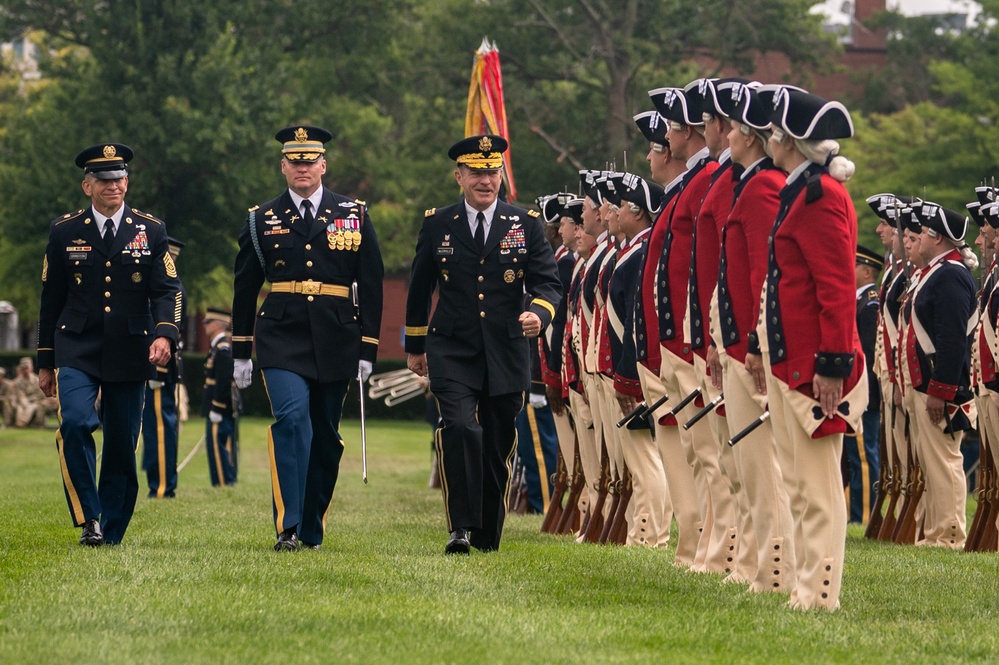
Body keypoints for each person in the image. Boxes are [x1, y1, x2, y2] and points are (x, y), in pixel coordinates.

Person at [405, 134, 561, 555]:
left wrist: (540, 313)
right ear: (460, 176)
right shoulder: (438, 224)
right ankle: (459, 526)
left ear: (501, 176)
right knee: (458, 427)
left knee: (496, 443)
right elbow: (420, 287)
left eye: (492, 172)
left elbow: (549, 282)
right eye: (476, 172)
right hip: (451, 348)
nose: (485, 180)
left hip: (506, 351)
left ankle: (487, 533)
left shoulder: (524, 224)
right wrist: (414, 345)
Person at [232, 125, 383, 552]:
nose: (302, 168)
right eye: (293, 162)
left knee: (325, 436)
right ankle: (289, 526)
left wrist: (368, 348)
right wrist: (242, 351)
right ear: (283, 167)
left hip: (337, 335)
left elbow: (371, 284)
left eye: (309, 161)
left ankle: (312, 525)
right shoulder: (261, 218)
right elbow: (245, 288)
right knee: (292, 419)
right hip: (281, 333)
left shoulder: (353, 213)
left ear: (323, 165)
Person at [744, 88, 865, 611]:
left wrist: (833, 365)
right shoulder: (800, 191)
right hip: (789, 357)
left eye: (774, 132)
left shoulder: (820, 197)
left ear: (787, 140)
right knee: (797, 480)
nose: (768, 138)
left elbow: (835, 286)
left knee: (816, 488)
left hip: (814, 365)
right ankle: (803, 584)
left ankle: (820, 594)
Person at [37, 142, 182, 546]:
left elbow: (169, 289)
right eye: (103, 180)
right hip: (77, 346)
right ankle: (89, 517)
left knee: (121, 443)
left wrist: (166, 333)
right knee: (77, 422)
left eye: (118, 178)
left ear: (127, 181)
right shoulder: (64, 231)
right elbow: (50, 301)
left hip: (130, 346)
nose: (113, 185)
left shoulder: (151, 230)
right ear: (88, 186)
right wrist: (45, 361)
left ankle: (111, 530)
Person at [906, 203, 977, 548]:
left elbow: (951, 339)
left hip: (943, 386)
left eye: (921, 232)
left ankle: (949, 536)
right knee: (932, 461)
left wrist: (942, 389)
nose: (916, 238)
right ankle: (936, 531)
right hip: (930, 384)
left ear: (936, 238)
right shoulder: (939, 272)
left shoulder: (949, 275)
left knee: (945, 461)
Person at [141, 237, 187, 498]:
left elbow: (169, 329)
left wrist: (157, 370)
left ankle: (161, 487)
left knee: (159, 429)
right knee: (156, 429)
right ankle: (161, 483)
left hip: (158, 367)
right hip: (155, 367)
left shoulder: (170, 290)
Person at [843, 244, 883, 523]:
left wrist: (859, 394)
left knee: (864, 456)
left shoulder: (869, 304)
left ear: (867, 271)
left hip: (865, 393)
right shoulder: (858, 301)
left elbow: (867, 355)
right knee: (854, 457)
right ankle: (856, 512)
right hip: (856, 392)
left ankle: (866, 514)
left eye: (854, 265)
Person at [202, 308, 238, 486]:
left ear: (217, 324)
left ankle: (223, 483)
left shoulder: (222, 349)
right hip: (219, 408)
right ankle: (224, 481)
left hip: (220, 409)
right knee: (219, 446)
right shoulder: (218, 347)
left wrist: (216, 407)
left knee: (218, 447)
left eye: (208, 322)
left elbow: (223, 382)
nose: (205, 326)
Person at [12, 357, 58, 428]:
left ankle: (24, 423)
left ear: (31, 367)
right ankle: (21, 423)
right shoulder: (18, 382)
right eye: (24, 368)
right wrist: (26, 402)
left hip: (37, 402)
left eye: (27, 368)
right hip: (24, 402)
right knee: (21, 407)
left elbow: (41, 394)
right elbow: (20, 395)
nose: (25, 370)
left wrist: (31, 401)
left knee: (33, 407)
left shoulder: (37, 380)